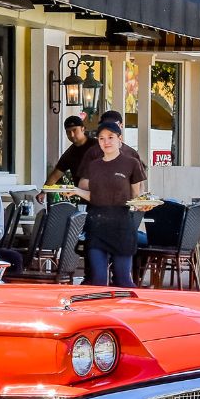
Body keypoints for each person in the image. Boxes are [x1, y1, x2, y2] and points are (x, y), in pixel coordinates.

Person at [75, 121, 146, 287]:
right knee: (98, 279)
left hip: (122, 226)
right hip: (96, 225)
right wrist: (76, 191)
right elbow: (96, 196)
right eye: (101, 138)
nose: (106, 142)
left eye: (110, 137)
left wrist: (142, 205)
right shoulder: (93, 166)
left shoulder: (131, 163)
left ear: (119, 139)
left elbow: (136, 196)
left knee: (123, 280)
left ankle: (134, 309)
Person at [40, 116, 97, 202]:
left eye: (74, 130)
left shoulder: (98, 146)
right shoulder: (69, 154)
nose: (72, 135)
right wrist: (43, 192)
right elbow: (55, 175)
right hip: (84, 199)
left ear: (83, 129)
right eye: (68, 132)